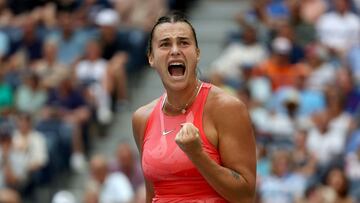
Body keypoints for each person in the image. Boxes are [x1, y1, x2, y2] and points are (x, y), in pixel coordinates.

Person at [132, 12, 256, 202]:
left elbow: (245, 196)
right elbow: (153, 193)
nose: (175, 50)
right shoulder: (142, 118)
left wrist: (197, 154)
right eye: (165, 44)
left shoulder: (227, 108)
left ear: (197, 53)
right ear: (151, 58)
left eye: (184, 43)